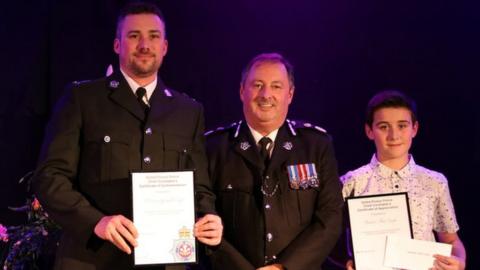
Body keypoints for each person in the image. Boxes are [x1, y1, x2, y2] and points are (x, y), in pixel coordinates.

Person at [32, 2, 222, 270]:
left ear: (165, 47)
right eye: (134, 36)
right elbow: (49, 176)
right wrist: (95, 222)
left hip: (167, 260)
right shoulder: (83, 99)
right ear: (117, 45)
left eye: (153, 36)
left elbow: (199, 186)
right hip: (92, 259)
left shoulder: (188, 111)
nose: (145, 44)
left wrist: (209, 217)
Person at [204, 53, 344, 270]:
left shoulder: (316, 145)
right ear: (242, 91)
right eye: (257, 85)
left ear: (290, 94)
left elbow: (330, 218)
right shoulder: (214, 148)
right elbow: (203, 219)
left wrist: (285, 267)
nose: (266, 94)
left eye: (276, 86)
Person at [341, 90, 466, 270]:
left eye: (402, 125)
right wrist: (348, 262)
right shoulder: (351, 182)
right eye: (384, 126)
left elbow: (452, 240)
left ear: (414, 128)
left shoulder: (434, 182)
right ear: (369, 131)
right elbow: (328, 237)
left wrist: (459, 262)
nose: (394, 135)